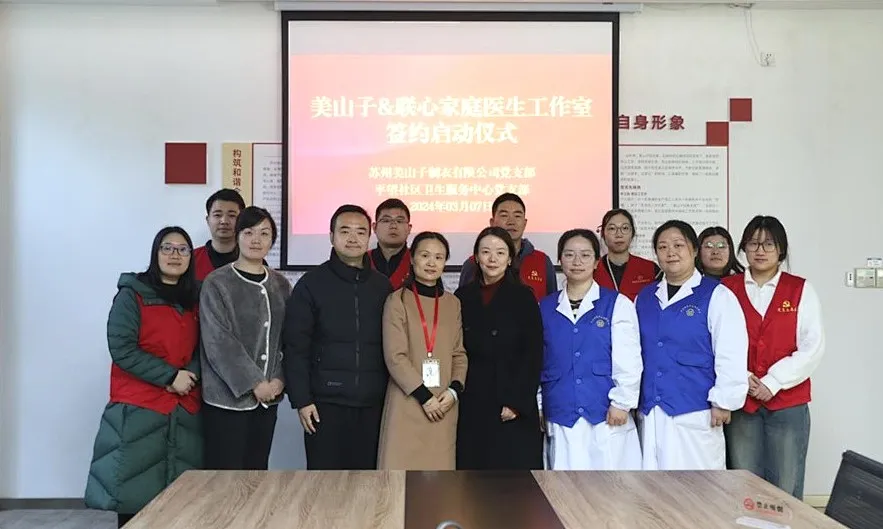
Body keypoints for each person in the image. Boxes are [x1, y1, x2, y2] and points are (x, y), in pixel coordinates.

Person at [84, 227, 202, 528]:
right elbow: (122, 348)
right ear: (155, 253)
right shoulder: (132, 295)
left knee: (180, 502)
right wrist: (169, 376)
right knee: (134, 497)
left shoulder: (195, 298)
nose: (175, 255)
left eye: (183, 249)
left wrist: (190, 375)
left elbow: (206, 347)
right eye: (167, 248)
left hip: (184, 408)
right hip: (139, 408)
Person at [721, 215, 825, 499]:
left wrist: (774, 381)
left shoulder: (800, 288)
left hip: (788, 401)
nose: (760, 250)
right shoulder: (727, 289)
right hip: (742, 401)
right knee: (744, 482)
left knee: (786, 484)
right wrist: (743, 378)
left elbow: (812, 345)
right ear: (743, 248)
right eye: (753, 244)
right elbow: (717, 344)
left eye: (768, 244)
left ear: (781, 250)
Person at [283, 204, 393, 470]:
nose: (353, 238)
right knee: (325, 483)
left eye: (360, 231)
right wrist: (302, 400)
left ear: (370, 236)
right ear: (331, 236)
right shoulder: (311, 284)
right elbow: (296, 347)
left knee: (368, 483)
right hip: (325, 404)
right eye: (345, 231)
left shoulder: (382, 286)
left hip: (373, 404)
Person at [634, 220, 749, 470]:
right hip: (652, 409)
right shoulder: (645, 297)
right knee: (652, 484)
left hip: (696, 409)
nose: (670, 252)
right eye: (663, 247)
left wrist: (724, 401)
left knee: (698, 485)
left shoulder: (717, 295)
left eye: (678, 245)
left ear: (694, 250)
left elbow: (730, 352)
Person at [539, 229, 643, 470]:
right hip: (560, 409)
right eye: (569, 255)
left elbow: (629, 359)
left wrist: (622, 402)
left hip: (605, 412)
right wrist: (540, 404)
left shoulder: (617, 304)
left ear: (597, 261)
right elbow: (538, 361)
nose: (577, 262)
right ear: (559, 259)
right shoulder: (544, 307)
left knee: (610, 485)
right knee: (563, 485)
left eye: (585, 255)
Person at [199, 206, 291, 470]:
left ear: (272, 240)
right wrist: (254, 382)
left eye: (264, 233)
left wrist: (279, 379)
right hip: (226, 400)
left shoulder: (281, 285)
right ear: (237, 236)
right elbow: (219, 342)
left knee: (257, 472)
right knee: (225, 476)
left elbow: (288, 338)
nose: (256, 240)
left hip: (268, 398)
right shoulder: (217, 283)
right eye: (248, 232)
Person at [455, 226, 544, 470]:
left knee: (511, 482)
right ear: (476, 257)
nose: (492, 259)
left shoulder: (524, 297)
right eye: (486, 252)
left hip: (510, 402)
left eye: (500, 252)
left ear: (510, 259)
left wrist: (516, 402)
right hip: (472, 399)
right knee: (471, 478)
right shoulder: (462, 297)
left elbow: (533, 354)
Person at [378, 232, 467, 470]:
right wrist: (424, 397)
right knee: (398, 478)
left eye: (438, 257)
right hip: (408, 401)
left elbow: (459, 353)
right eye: (425, 255)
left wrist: (454, 391)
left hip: (444, 404)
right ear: (412, 258)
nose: (431, 263)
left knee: (440, 481)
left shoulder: (453, 303)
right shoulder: (397, 300)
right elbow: (395, 356)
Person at [458, 193, 556, 302]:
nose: (511, 222)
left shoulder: (542, 261)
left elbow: (552, 304)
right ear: (492, 222)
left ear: (524, 223)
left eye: (517, 216)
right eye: (504, 216)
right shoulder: (474, 263)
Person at [594, 208, 661, 301]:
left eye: (625, 228)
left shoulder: (651, 269)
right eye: (612, 228)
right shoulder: (592, 269)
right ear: (602, 233)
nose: (619, 234)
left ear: (632, 233)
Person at [192, 189, 246, 280]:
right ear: (208, 220)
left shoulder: (253, 260)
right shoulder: (191, 259)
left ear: (241, 220)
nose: (224, 221)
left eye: (232, 215)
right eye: (217, 215)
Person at [370, 198, 413, 290]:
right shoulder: (361, 260)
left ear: (409, 228)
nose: (393, 226)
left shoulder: (418, 261)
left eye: (399, 221)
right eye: (386, 220)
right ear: (374, 227)